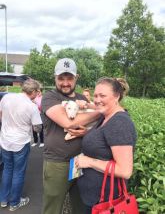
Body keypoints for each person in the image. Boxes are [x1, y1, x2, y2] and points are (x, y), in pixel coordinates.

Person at [41, 58, 99, 214]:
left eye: (69, 78)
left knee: (80, 207)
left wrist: (86, 131)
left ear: (76, 78)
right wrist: (100, 111)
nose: (65, 83)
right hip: (57, 163)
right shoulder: (50, 97)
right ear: (55, 78)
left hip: (80, 162)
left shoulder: (83, 98)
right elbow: (68, 122)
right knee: (52, 208)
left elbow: (95, 127)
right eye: (61, 78)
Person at [74, 77, 137, 214]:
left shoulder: (119, 123)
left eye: (102, 95)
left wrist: (90, 162)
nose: (97, 100)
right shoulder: (105, 116)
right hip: (94, 197)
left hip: (105, 202)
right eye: (95, 95)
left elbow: (125, 171)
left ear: (117, 96)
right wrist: (87, 134)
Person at [0, 79, 42, 211]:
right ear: (34, 91)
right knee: (18, 172)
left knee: (7, 169)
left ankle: (3, 200)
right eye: (38, 91)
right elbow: (37, 129)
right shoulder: (32, 106)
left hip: (5, 140)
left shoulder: (7, 97)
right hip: (20, 142)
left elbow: (1, 115)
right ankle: (14, 202)